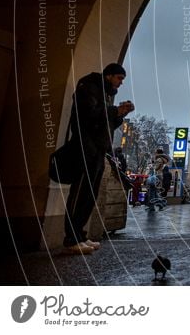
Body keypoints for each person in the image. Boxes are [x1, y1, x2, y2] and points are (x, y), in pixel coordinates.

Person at [62, 63, 134, 254]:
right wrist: (114, 111)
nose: (120, 83)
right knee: (80, 193)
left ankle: (79, 234)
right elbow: (88, 115)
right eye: (119, 78)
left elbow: (104, 121)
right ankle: (70, 238)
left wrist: (120, 115)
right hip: (85, 147)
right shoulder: (89, 87)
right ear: (109, 75)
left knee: (89, 193)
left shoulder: (106, 93)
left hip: (99, 149)